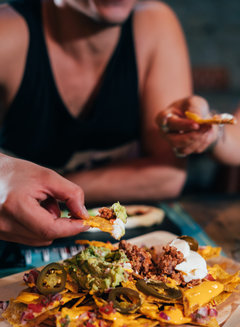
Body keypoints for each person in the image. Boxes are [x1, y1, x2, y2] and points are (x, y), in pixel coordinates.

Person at [0, 0, 226, 248]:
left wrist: (46, 189)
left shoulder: (154, 24)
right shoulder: (7, 32)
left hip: (134, 240)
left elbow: (167, 176)